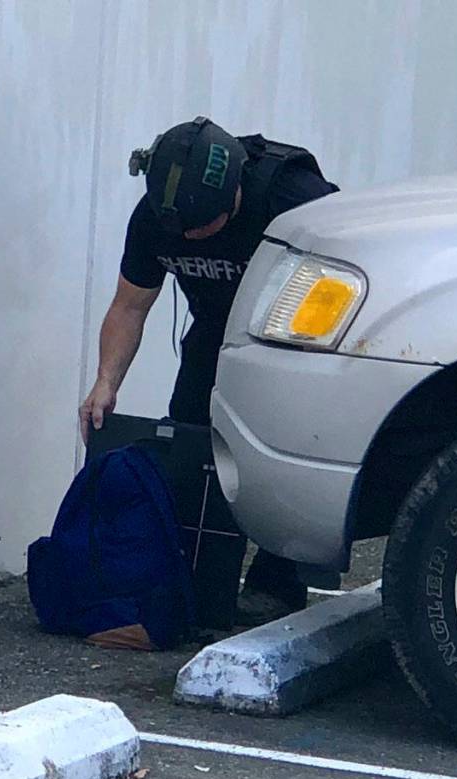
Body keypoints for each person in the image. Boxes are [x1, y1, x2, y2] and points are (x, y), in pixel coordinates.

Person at [79, 116, 338, 627]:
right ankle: (197, 578)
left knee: (280, 450)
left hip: (297, 334)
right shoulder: (158, 217)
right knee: (192, 439)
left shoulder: (294, 199)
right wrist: (105, 384)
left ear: (235, 194)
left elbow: (351, 268)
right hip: (214, 329)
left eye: (201, 228)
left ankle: (279, 582)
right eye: (181, 230)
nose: (189, 238)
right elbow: (130, 305)